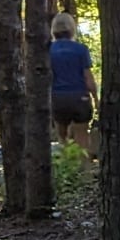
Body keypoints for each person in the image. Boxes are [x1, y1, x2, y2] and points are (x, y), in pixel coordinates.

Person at [48, 10, 95, 153]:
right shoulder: (81, 50)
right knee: (82, 136)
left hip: (58, 97)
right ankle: (85, 170)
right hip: (80, 96)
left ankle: (67, 168)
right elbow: (88, 77)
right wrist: (96, 99)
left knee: (62, 137)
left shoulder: (48, 50)